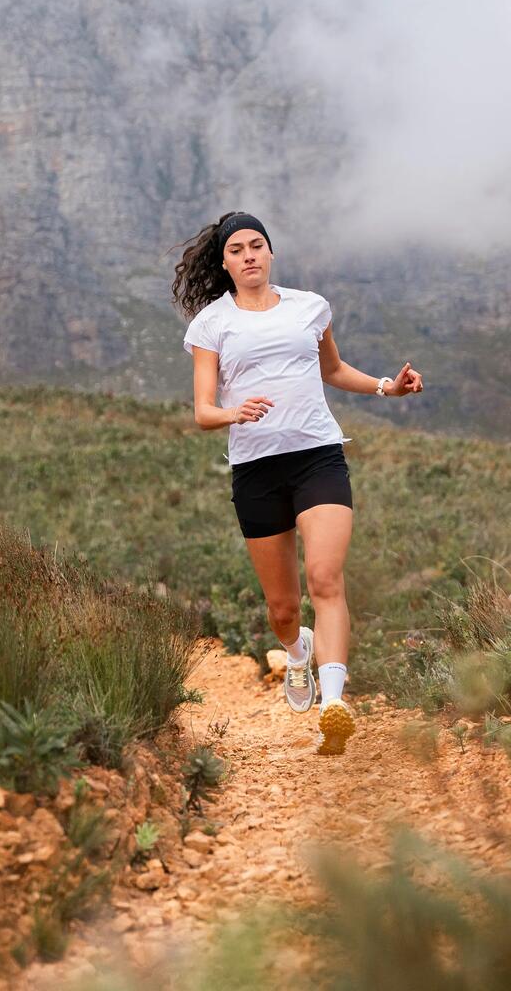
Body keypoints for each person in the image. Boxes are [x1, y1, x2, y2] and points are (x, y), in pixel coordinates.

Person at [175, 211, 424, 754]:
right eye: (236, 249)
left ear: (270, 252)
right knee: (284, 610)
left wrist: (388, 388)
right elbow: (202, 411)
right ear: (224, 262)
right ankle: (296, 653)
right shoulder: (212, 325)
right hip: (256, 469)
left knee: (326, 578)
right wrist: (233, 412)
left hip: (318, 457)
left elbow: (332, 370)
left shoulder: (310, 308)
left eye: (257, 245)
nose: (249, 255)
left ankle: (333, 704)